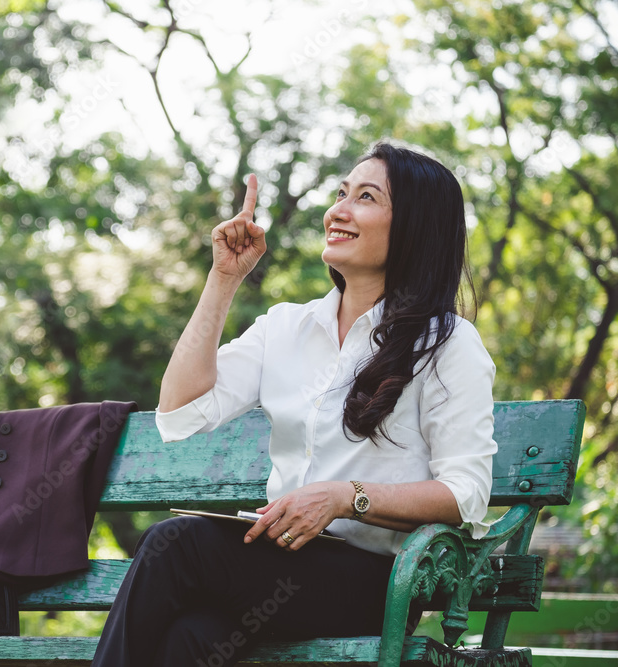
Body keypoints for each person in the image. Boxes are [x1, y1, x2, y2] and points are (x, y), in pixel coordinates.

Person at [90, 141, 497, 667]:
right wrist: (224, 279)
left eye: (366, 197)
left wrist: (344, 496)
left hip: (374, 584)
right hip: (275, 568)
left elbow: (466, 494)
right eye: (341, 193)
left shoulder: (447, 344)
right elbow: (180, 408)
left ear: (415, 227)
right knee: (190, 640)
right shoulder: (287, 327)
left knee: (177, 545)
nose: (339, 211)